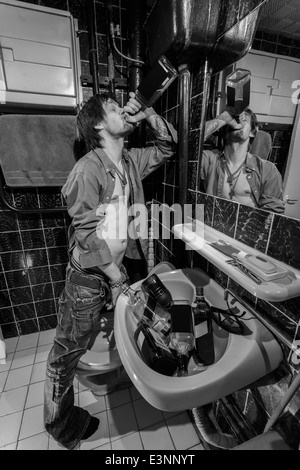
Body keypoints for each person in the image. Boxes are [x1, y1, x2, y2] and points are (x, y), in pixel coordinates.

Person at [43, 91, 177, 450]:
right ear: (100, 124)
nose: (124, 111)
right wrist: (119, 281)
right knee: (66, 353)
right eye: (116, 109)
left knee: (112, 330)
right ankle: (61, 426)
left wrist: (147, 113)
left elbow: (167, 147)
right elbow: (86, 236)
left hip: (113, 272)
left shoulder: (130, 161)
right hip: (88, 280)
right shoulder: (86, 170)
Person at [200, 108, 285, 213]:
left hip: (245, 228)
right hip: (211, 227)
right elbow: (182, 147)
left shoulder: (267, 170)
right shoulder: (209, 159)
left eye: (243, 120)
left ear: (253, 132)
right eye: (233, 119)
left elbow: (272, 217)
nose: (237, 122)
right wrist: (222, 119)